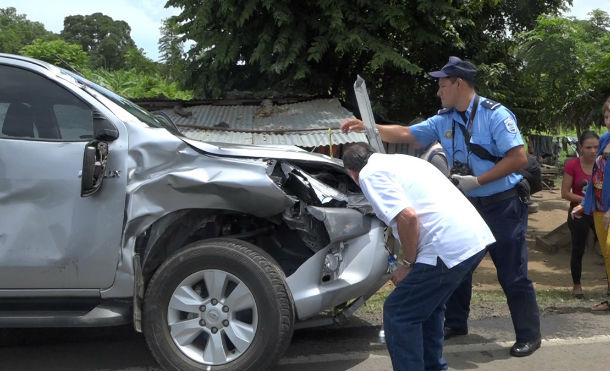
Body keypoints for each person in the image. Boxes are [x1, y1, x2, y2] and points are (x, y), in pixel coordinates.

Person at [341, 56, 542, 357]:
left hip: (503, 204)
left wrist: (479, 180)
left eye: (442, 85)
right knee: (456, 265)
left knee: (512, 273)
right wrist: (369, 126)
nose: (439, 91)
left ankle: (528, 335)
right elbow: (408, 134)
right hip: (470, 204)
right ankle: (456, 323)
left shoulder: (495, 115)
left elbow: (518, 158)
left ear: (459, 83)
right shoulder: (444, 118)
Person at [342, 142, 494, 371]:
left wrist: (407, 264)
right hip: (473, 239)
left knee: (398, 312)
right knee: (428, 309)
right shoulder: (403, 161)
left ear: (352, 173)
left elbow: (408, 217)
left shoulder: (368, 174)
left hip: (445, 246)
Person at [572, 96, 610, 311]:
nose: (608, 119)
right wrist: (585, 203)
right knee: (606, 254)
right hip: (598, 206)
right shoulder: (604, 139)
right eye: (606, 115)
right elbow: (596, 174)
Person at [561, 131, 599, 299]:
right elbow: (565, 193)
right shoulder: (572, 165)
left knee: (607, 247)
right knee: (578, 249)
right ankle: (577, 286)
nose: (593, 151)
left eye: (596, 147)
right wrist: (586, 202)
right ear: (580, 148)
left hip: (601, 212)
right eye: (588, 147)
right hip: (579, 212)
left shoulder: (605, 164)